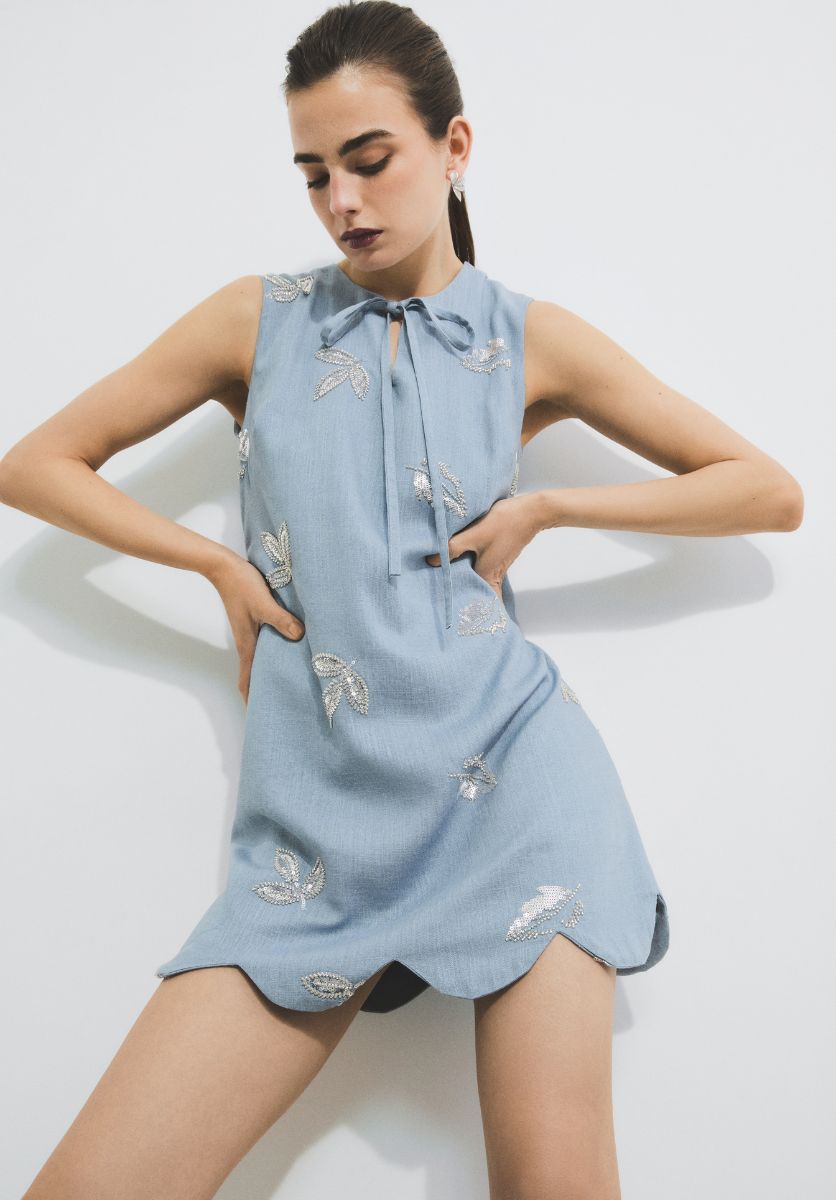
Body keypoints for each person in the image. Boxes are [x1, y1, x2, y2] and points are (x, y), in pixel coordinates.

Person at [5, 3, 803, 1198]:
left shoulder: (527, 339)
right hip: (317, 829)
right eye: (313, 174)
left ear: (452, 146)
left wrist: (551, 507)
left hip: (518, 796)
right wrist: (217, 565)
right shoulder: (258, 319)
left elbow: (765, 490)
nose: (342, 201)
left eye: (369, 160)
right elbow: (34, 464)